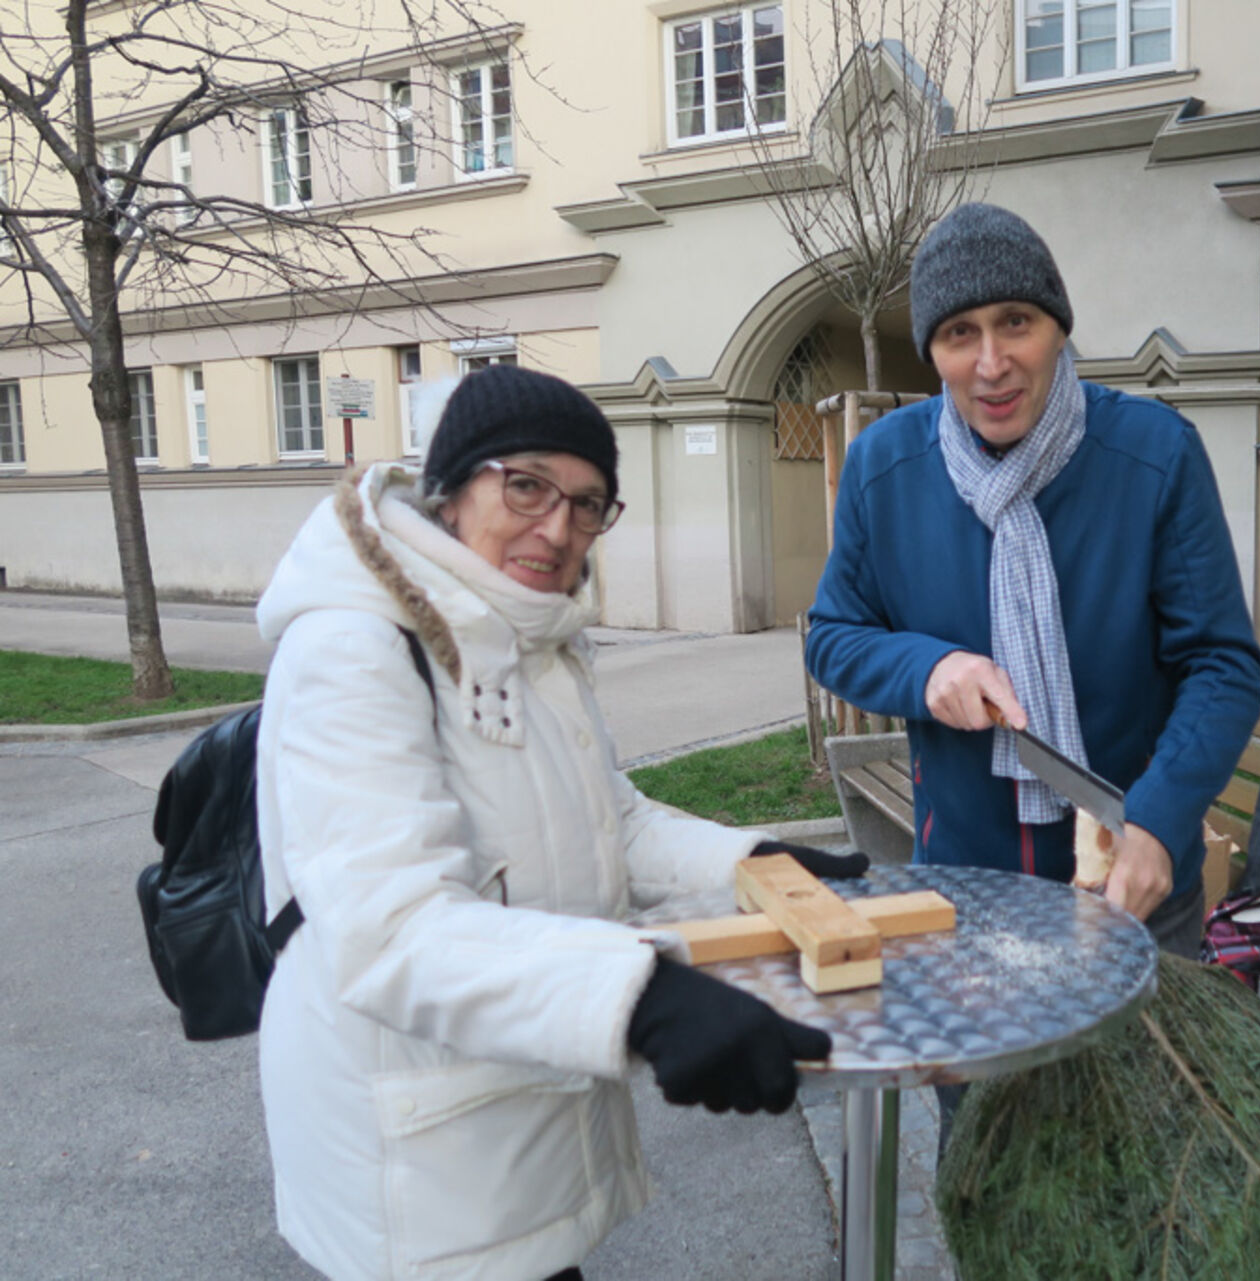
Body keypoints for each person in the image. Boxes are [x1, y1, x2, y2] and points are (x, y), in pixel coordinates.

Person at [252, 363, 864, 1281]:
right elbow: (393, 930)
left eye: (587, 504)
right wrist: (643, 997)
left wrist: (752, 859)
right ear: (453, 486)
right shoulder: (351, 649)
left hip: (509, 1112)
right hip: (416, 1158)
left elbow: (607, 816)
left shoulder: (526, 635)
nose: (558, 528)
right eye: (527, 485)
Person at [804, 201, 1260, 959]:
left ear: (1058, 327)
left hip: (1134, 881)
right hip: (964, 889)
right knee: (984, 1084)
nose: (991, 364)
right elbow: (835, 637)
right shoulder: (882, 468)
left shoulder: (1155, 455)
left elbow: (1222, 664)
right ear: (932, 350)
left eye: (1015, 322)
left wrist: (1158, 818)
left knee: (1143, 1080)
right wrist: (929, 667)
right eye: (960, 334)